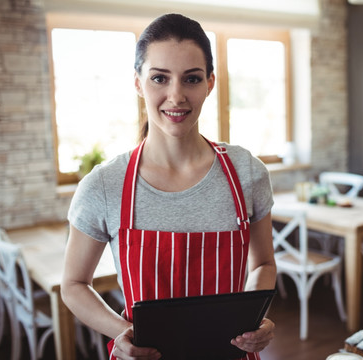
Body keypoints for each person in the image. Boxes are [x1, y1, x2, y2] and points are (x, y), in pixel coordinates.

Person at [61, 13, 277, 360]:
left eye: (191, 79)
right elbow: (73, 286)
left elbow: (263, 263)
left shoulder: (246, 172)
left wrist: (256, 321)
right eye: (159, 78)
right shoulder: (104, 185)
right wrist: (121, 332)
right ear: (137, 82)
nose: (176, 96)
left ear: (210, 83)